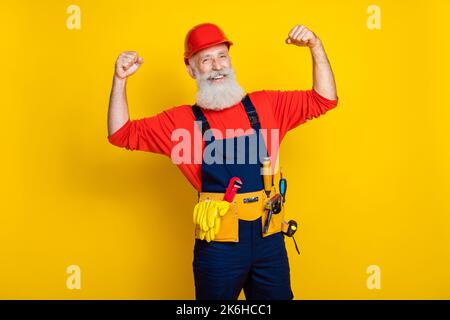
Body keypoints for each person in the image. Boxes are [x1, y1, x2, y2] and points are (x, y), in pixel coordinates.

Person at [107, 23, 338, 300]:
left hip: (269, 240)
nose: (217, 65)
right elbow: (120, 134)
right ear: (191, 70)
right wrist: (120, 80)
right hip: (219, 246)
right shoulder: (179, 123)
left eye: (222, 56)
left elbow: (325, 99)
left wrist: (315, 46)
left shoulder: (266, 105)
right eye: (205, 59)